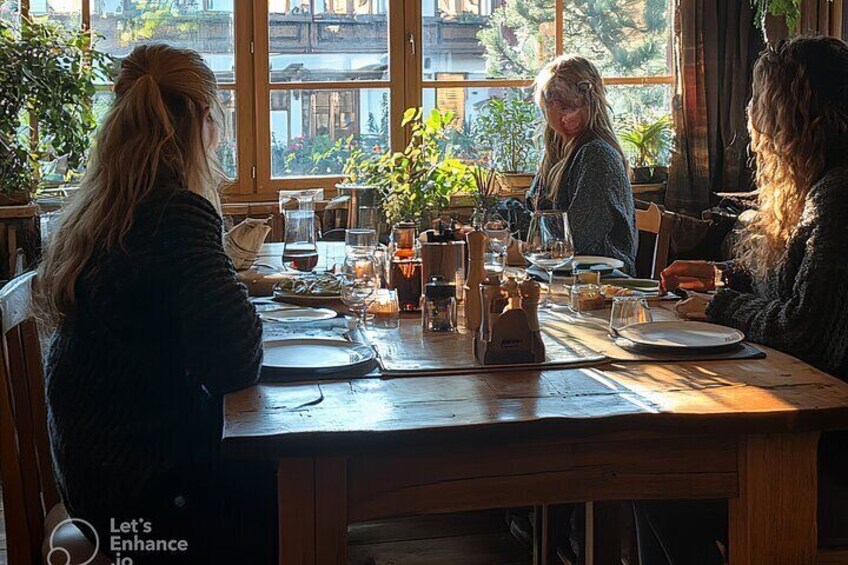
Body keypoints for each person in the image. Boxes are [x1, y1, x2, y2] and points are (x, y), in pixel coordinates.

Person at [38, 44, 274, 564]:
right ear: (202, 122)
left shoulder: (104, 208)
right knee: (309, 480)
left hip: (97, 478)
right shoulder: (174, 212)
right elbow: (237, 361)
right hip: (145, 513)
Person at [642, 35, 848, 563]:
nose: (751, 115)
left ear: (795, 116)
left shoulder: (838, 195)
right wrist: (721, 275)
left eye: (761, 102)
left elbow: (803, 326)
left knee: (655, 476)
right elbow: (799, 284)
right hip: (812, 426)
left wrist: (718, 306)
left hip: (823, 450)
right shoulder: (822, 185)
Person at [528, 55, 638, 274]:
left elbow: (575, 239)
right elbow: (533, 214)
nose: (566, 115)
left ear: (591, 104)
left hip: (601, 282)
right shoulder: (556, 152)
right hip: (566, 275)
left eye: (570, 105)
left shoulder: (597, 155)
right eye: (554, 103)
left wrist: (527, 234)